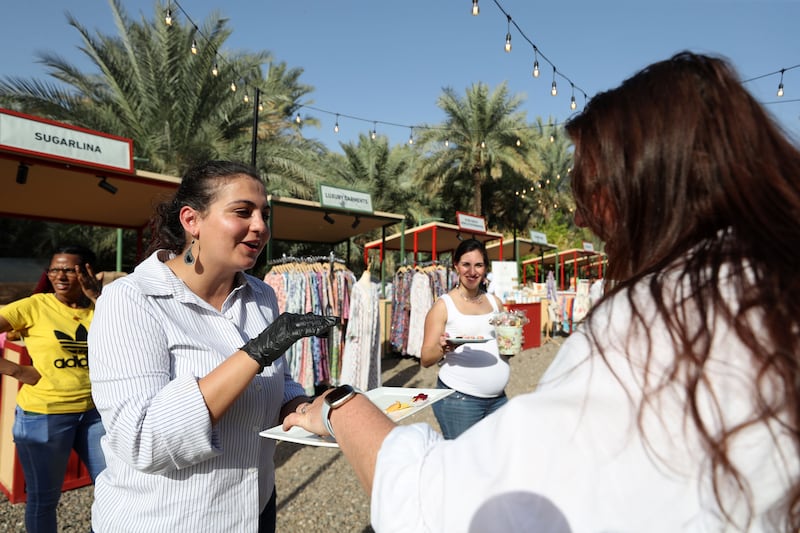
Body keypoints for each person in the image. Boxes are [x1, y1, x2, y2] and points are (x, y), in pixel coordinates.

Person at [282, 52, 800, 532]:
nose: (579, 216)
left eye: (589, 189)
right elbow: (425, 352)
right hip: (461, 403)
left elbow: (443, 504)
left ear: (644, 185)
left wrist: (340, 408)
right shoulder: (762, 291)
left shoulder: (669, 321)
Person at [87, 160, 337, 533]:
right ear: (192, 221)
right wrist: (255, 352)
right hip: (166, 521)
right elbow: (141, 441)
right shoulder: (131, 300)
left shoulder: (262, 295)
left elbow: (275, 385)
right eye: (243, 212)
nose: (261, 227)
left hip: (254, 510)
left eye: (265, 214)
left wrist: (303, 406)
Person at [0, 244, 106, 533]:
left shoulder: (105, 305)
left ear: (88, 272)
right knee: (44, 497)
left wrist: (97, 297)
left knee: (113, 486)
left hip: (95, 415)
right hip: (44, 414)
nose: (59, 275)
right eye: (54, 269)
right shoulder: (35, 305)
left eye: (68, 269)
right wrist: (17, 371)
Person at [419, 238, 508, 438]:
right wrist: (445, 348)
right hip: (459, 401)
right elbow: (425, 358)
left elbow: (503, 344)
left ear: (485, 268)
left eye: (478, 265)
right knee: (464, 464)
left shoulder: (496, 303)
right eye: (466, 264)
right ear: (456, 266)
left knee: (497, 460)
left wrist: (512, 343)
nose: (472, 271)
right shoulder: (443, 306)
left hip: (499, 400)